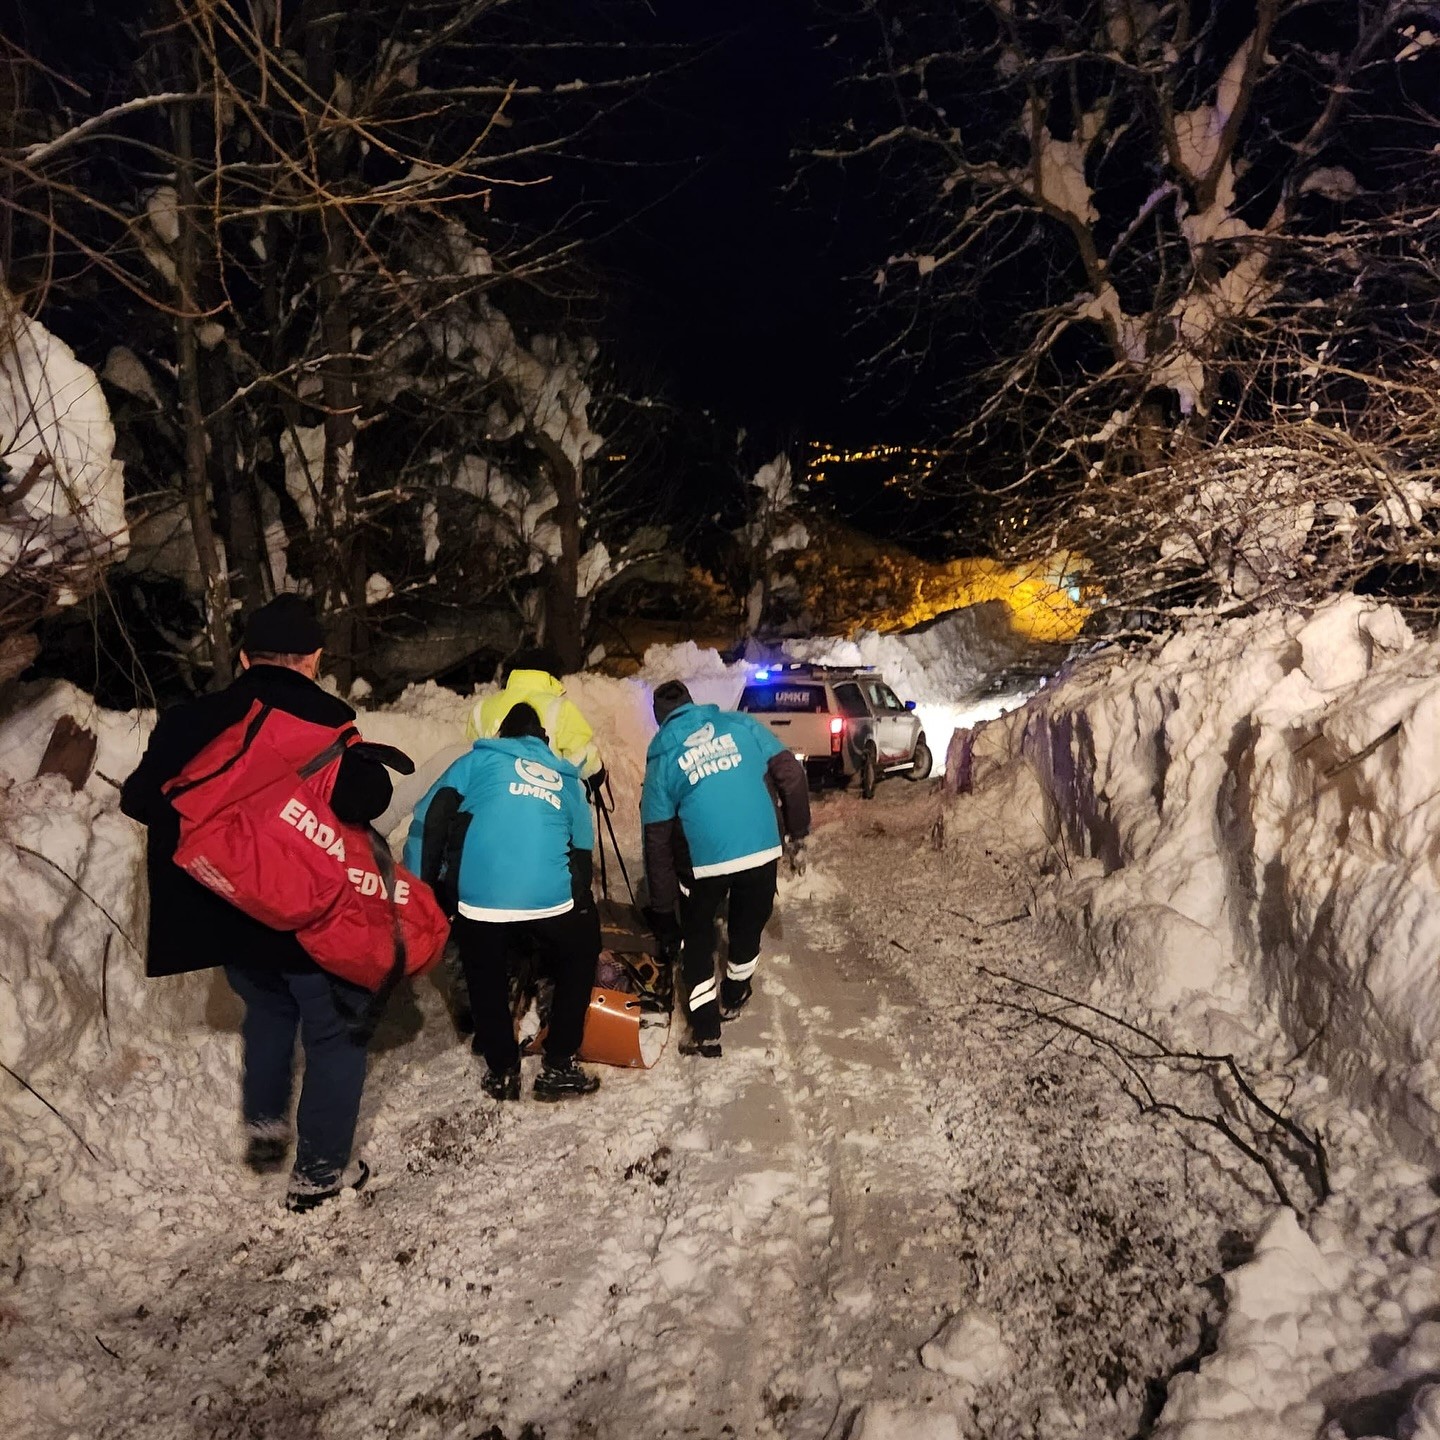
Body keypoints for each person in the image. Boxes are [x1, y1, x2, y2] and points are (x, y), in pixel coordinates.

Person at [121, 594, 398, 1212]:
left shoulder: (191, 719)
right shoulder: (328, 720)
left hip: (228, 910)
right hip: (304, 911)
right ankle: (320, 1174)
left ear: (246, 657)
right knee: (334, 1031)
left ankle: (266, 1129)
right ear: (314, 659)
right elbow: (362, 800)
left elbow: (141, 799)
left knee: (269, 1009)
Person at [405, 703, 602, 1101]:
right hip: (550, 900)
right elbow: (582, 853)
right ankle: (559, 1064)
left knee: (485, 974)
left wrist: (422, 891)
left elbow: (429, 821)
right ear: (543, 742)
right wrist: (577, 905)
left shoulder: (473, 764)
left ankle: (501, 1071)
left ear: (503, 738)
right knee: (581, 952)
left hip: (480, 900)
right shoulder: (565, 780)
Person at [641, 680, 810, 1059]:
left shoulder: (663, 756)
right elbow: (792, 774)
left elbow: (657, 839)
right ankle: (735, 993)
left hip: (703, 864)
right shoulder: (739, 725)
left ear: (661, 720)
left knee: (697, 937)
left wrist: (664, 910)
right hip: (760, 848)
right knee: (747, 924)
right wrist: (797, 830)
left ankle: (705, 1030)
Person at [466, 646, 604, 785]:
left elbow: (471, 755)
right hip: (544, 794)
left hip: (491, 791)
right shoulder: (560, 708)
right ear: (550, 676)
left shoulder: (482, 708)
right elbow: (582, 757)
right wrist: (596, 773)